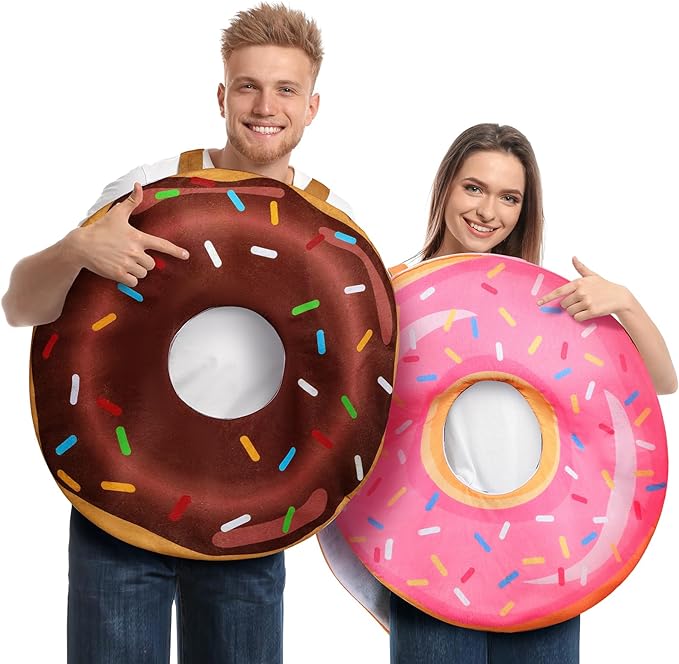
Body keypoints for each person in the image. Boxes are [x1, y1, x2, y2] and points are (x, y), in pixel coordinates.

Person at [2, 4, 351, 663]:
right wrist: (77, 248)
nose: (264, 106)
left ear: (311, 106)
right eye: (247, 85)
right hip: (122, 507)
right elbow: (20, 304)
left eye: (285, 89)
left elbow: (349, 386)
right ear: (222, 95)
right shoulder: (143, 194)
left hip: (249, 519)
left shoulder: (334, 232)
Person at [319, 122, 677, 664]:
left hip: (543, 557)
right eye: (474, 188)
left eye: (509, 197)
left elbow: (659, 382)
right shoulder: (393, 295)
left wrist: (624, 302)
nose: (489, 211)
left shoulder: (546, 303)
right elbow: (342, 408)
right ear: (445, 189)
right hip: (431, 553)